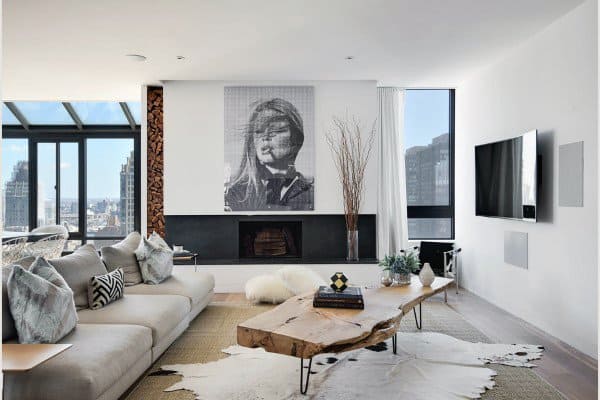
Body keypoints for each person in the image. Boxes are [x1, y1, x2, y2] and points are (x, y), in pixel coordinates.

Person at [225, 98, 314, 211]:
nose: (265, 137)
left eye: (276, 130)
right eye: (258, 131)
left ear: (295, 139)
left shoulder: (310, 194)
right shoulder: (237, 194)